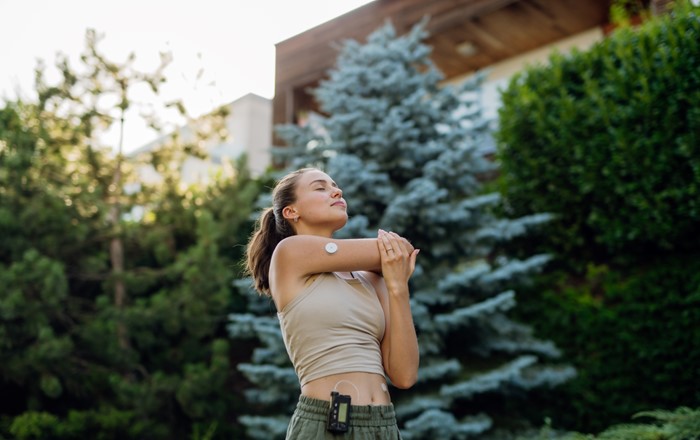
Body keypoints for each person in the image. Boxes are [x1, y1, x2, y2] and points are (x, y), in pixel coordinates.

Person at [245, 167, 420, 439]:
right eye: (320, 187)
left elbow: (404, 375)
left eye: (335, 186)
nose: (336, 191)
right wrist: (390, 261)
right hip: (326, 424)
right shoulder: (290, 253)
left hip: (383, 426)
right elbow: (401, 249)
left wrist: (397, 289)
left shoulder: (371, 279)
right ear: (291, 211)